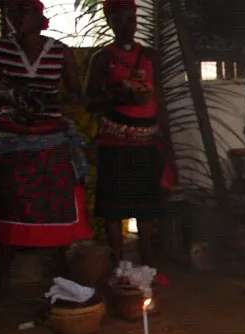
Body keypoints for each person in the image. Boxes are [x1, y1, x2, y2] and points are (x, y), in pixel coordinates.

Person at [0, 0, 91, 297]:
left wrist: (54, 100)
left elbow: (77, 96)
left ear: (39, 15)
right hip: (14, 142)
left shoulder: (61, 52)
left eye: (22, 10)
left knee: (58, 212)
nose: (14, 16)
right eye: (11, 11)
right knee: (10, 213)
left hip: (51, 141)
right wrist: (11, 95)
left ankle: (68, 288)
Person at [86, 0, 175, 276]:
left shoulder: (150, 56)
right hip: (115, 143)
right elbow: (90, 101)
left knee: (146, 207)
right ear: (110, 22)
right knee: (114, 208)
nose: (127, 26)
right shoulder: (102, 59)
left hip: (147, 141)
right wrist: (119, 96)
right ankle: (119, 264)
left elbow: (159, 99)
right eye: (121, 20)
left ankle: (147, 262)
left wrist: (167, 139)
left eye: (132, 20)